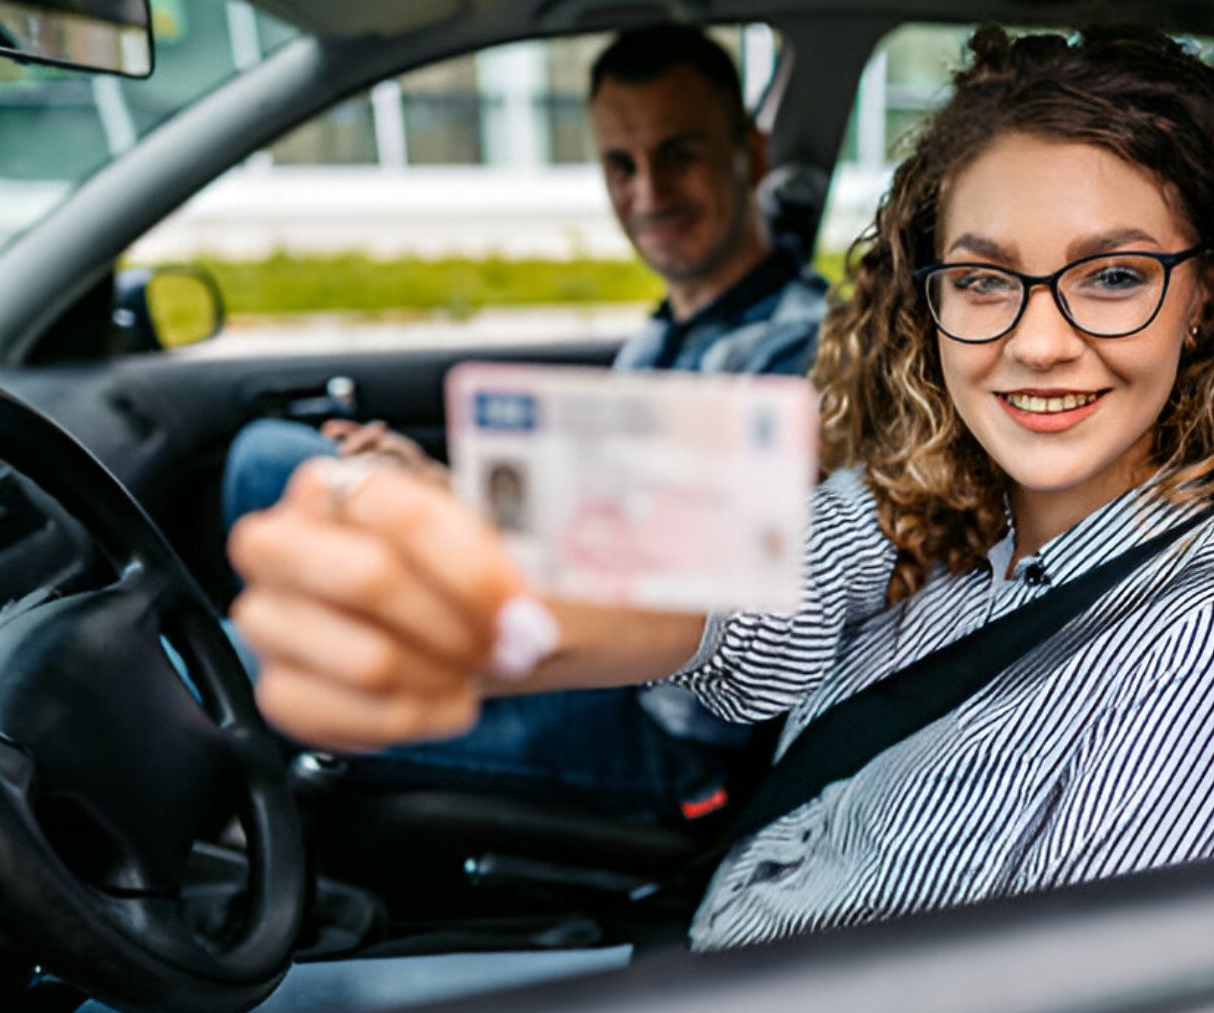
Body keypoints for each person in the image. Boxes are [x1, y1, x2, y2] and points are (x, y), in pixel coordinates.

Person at [229, 25, 1214, 954]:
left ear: (1208, 298)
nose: (1038, 341)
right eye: (984, 279)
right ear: (926, 299)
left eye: (1116, 275)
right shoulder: (926, 504)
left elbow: (1071, 989)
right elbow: (735, 594)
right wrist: (488, 607)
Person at [219, 24, 827, 822]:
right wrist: (445, 491)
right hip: (582, 653)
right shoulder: (658, 337)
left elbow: (719, 583)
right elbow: (606, 523)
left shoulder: (805, 356)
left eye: (679, 155)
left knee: (240, 668)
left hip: (663, 729)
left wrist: (460, 515)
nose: (647, 194)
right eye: (621, 165)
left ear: (748, 153)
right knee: (271, 457)